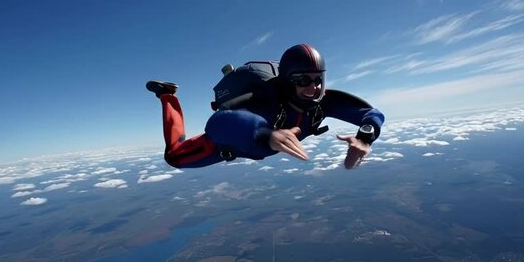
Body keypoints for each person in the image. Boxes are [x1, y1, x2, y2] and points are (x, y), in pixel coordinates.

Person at [145, 44, 385, 169]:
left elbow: (370, 114)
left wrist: (365, 137)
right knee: (174, 156)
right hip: (228, 143)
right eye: (302, 80)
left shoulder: (324, 102)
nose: (313, 87)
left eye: (317, 79)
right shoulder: (268, 100)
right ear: (287, 80)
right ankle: (167, 97)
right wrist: (265, 134)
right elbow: (219, 123)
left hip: (253, 138)